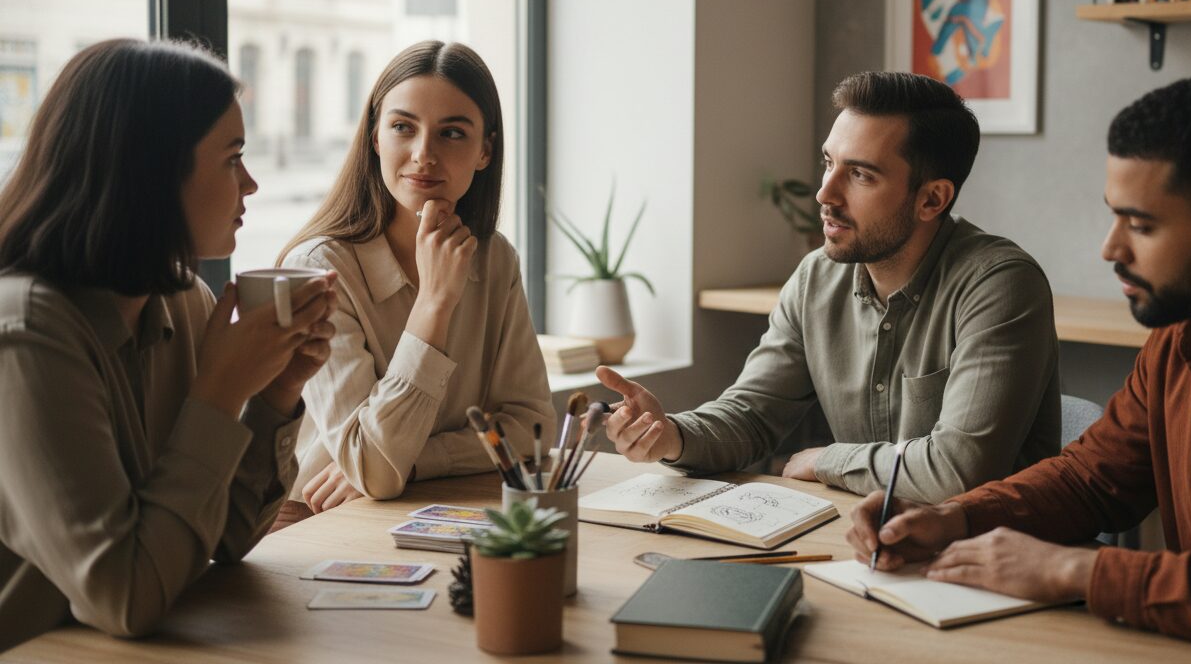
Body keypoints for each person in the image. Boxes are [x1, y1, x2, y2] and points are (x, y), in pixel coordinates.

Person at [846, 75, 1191, 659]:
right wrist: (953, 518)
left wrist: (1075, 571)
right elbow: (1091, 480)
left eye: (1141, 225)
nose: (1110, 249)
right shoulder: (1180, 336)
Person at [0, 39, 337, 651]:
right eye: (232, 158)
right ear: (151, 174)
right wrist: (220, 390)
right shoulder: (26, 331)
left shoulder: (183, 302)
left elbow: (226, 538)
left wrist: (277, 394)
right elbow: (126, 596)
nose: (252, 183)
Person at [602, 71, 1060, 499]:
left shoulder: (1000, 285)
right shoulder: (816, 278)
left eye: (860, 174)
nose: (825, 193)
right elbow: (751, 415)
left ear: (931, 199)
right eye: (829, 163)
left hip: (988, 561)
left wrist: (827, 461)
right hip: (863, 545)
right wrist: (672, 435)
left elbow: (960, 471)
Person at [276, 40, 554, 525]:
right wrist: (434, 303)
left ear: (485, 150)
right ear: (375, 138)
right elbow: (376, 473)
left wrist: (413, 461)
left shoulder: (495, 259)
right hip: (320, 521)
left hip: (440, 505)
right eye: (403, 127)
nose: (424, 154)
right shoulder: (317, 270)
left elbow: (531, 429)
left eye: (452, 133)